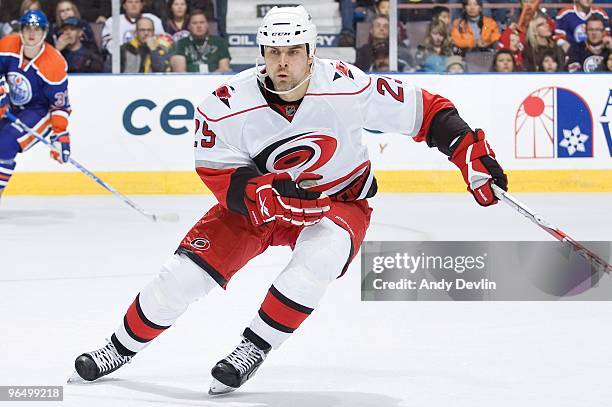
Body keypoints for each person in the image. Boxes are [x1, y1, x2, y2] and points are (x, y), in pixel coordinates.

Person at [71, 5, 507, 395]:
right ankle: (117, 348)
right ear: (261, 53)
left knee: (318, 259)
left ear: (310, 52)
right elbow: (214, 167)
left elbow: (426, 112)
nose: (282, 62)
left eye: (292, 52)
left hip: (337, 203)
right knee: (179, 278)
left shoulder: (347, 86)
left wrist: (468, 150)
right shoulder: (226, 104)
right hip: (257, 208)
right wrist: (264, 196)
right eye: (273, 52)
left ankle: (251, 349)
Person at [0, 10, 71, 200]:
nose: (32, 34)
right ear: (21, 31)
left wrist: (60, 135)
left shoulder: (54, 64)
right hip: (12, 105)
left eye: (37, 29)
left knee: (4, 145)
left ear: (45, 33)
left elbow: (59, 106)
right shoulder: (8, 44)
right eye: (28, 29)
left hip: (38, 112)